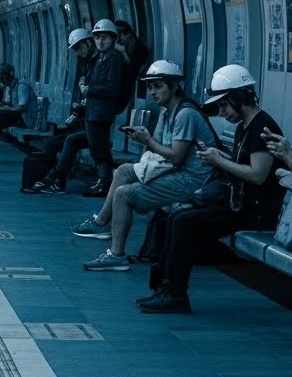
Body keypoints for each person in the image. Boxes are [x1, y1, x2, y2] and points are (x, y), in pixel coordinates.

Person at [141, 64, 284, 313]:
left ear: (240, 98)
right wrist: (220, 155)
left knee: (185, 222)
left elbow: (258, 176)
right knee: (176, 215)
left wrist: (219, 161)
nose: (222, 112)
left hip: (255, 212)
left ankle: (175, 294)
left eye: (224, 105)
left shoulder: (262, 128)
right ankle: (165, 287)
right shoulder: (244, 126)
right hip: (239, 203)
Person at [70, 61, 216, 271]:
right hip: (176, 172)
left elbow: (175, 157)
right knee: (122, 171)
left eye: (158, 86)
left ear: (173, 86)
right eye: (149, 87)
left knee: (123, 194)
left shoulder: (185, 114)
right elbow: (157, 145)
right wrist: (145, 137)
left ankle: (116, 254)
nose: (152, 92)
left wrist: (147, 141)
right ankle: (101, 223)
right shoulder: (167, 112)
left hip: (194, 180)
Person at [28, 28, 97, 194]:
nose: (79, 53)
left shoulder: (99, 64)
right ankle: (51, 178)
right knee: (51, 142)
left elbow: (101, 93)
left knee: (70, 140)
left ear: (88, 42)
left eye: (80, 48)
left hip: (96, 124)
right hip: (86, 121)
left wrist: (84, 94)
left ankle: (56, 180)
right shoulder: (89, 64)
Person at [79, 20, 126, 197]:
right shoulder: (99, 58)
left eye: (105, 38)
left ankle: (105, 182)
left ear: (113, 39)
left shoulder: (114, 59)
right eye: (97, 38)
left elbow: (112, 87)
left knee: (100, 147)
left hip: (102, 111)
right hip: (93, 110)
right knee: (95, 146)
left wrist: (90, 89)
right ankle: (102, 179)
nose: (100, 41)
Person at [115, 20, 152, 101]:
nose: (120, 40)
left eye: (121, 36)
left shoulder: (134, 45)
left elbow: (134, 67)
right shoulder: (126, 46)